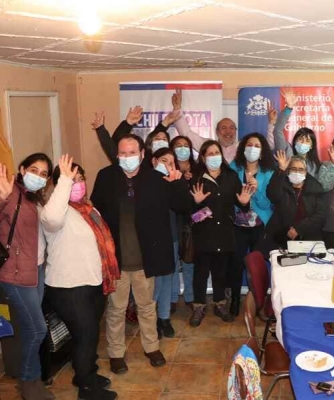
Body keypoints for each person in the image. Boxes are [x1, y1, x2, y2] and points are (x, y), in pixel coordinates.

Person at [91, 133, 191, 374]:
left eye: (132, 153)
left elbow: (184, 206)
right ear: (117, 154)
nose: (127, 157)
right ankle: (116, 353)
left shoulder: (156, 178)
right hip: (117, 260)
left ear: (142, 154)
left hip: (146, 258)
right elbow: (95, 213)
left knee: (147, 306)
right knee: (116, 309)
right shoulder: (106, 177)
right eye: (123, 153)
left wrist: (177, 183)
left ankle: (152, 347)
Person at [41, 156, 119, 400]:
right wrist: (65, 181)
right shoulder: (55, 211)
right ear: (59, 184)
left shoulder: (88, 208)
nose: (78, 183)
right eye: (72, 179)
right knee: (86, 335)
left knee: (89, 334)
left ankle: (86, 373)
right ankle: (86, 387)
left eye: (81, 178)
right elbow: (53, 219)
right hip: (69, 287)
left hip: (93, 282)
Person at [0, 154, 54, 400]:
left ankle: (31, 379)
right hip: (15, 274)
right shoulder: (10, 192)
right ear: (22, 169)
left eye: (43, 174)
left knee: (29, 329)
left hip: (36, 270)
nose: (38, 176)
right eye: (33, 170)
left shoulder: (34, 197)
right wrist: (2, 198)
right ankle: (29, 381)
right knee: (37, 330)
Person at [189, 140, 254, 327]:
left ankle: (220, 304)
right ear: (203, 158)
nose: (214, 157)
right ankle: (199, 306)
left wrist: (244, 203)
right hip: (203, 233)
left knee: (220, 271)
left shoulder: (231, 176)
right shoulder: (196, 178)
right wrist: (197, 203)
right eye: (209, 154)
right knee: (201, 273)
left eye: (216, 153)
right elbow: (189, 211)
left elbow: (241, 201)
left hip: (225, 232)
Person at [229, 133, 275, 316]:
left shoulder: (268, 173)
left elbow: (267, 204)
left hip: (260, 225)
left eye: (257, 146)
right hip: (237, 225)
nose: (252, 149)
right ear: (243, 148)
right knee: (236, 264)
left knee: (258, 266)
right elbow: (228, 196)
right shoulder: (234, 168)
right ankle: (234, 300)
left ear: (262, 152)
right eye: (249, 144)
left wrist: (256, 192)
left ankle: (257, 302)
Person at [259, 153, 326, 255]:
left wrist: (299, 229)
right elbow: (273, 196)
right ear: (288, 170)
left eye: (301, 169)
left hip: (308, 238)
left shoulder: (315, 188)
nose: (297, 172)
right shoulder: (281, 183)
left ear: (306, 172)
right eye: (293, 169)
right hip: (281, 237)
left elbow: (320, 215)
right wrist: (281, 170)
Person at [150, 148, 181, 338]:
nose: (168, 166)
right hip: (152, 239)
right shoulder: (146, 182)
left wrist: (176, 184)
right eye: (164, 161)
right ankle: (152, 319)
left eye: (171, 162)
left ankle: (164, 318)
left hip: (171, 235)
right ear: (154, 161)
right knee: (155, 281)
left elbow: (182, 206)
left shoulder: (175, 183)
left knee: (168, 278)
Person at [171, 89, 239, 163]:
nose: (228, 131)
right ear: (217, 132)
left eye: (232, 128)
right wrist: (177, 109)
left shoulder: (241, 147)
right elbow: (186, 133)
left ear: (235, 131)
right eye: (223, 128)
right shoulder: (208, 145)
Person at [170, 136, 198, 311]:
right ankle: (172, 298)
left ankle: (190, 296)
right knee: (172, 262)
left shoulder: (198, 169)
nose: (182, 148)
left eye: (186, 145)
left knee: (189, 262)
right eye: (178, 145)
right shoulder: (167, 170)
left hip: (193, 222)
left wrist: (190, 181)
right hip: (172, 221)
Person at [270, 88, 321, 176]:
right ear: (295, 141)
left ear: (311, 145)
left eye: (307, 141)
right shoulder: (287, 152)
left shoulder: (314, 165)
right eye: (300, 139)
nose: (303, 143)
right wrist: (289, 107)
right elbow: (277, 131)